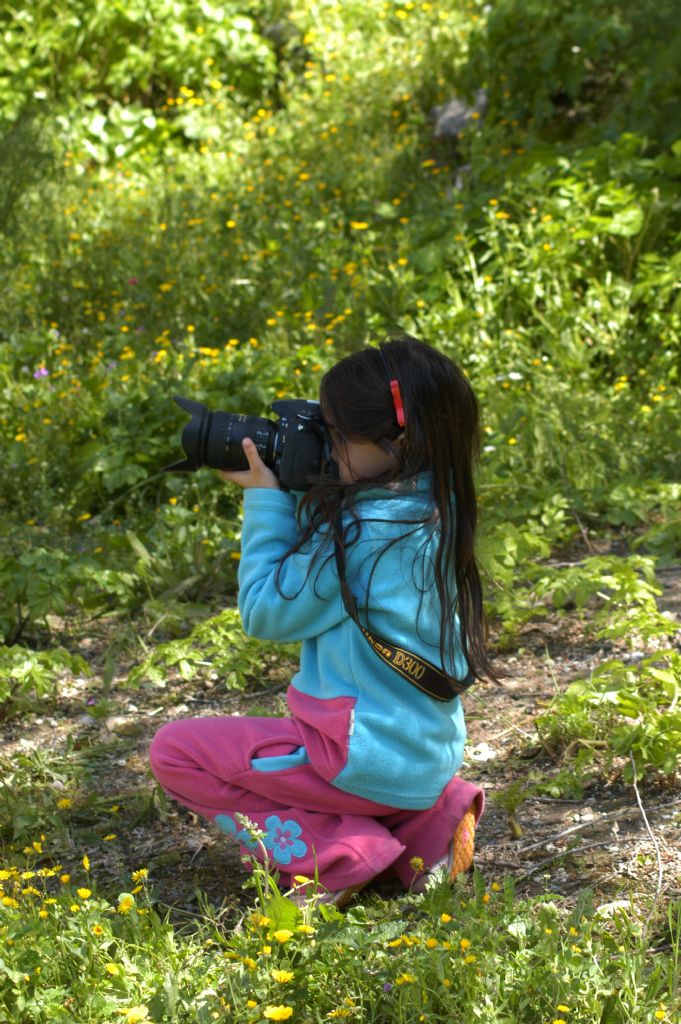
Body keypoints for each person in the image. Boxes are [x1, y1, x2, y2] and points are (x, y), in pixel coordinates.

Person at [149, 334, 495, 906]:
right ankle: (435, 820)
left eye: (335, 436)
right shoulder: (442, 510)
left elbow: (264, 611)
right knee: (374, 779)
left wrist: (267, 499)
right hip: (427, 759)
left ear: (397, 440)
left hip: (355, 761)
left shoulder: (359, 538)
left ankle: (339, 854)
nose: (325, 448)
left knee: (176, 750)